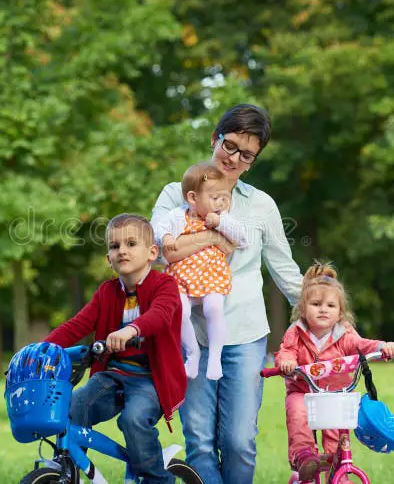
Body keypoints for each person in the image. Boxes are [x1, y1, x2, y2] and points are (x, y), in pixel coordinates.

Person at [151, 104, 304, 484]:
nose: (233, 158)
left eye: (246, 154)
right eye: (230, 145)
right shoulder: (176, 193)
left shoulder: (261, 205)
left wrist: (327, 319)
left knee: (238, 441)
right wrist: (217, 236)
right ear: (214, 139)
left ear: (253, 162)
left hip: (246, 334)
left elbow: (284, 270)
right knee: (200, 441)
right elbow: (161, 251)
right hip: (189, 336)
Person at [43, 213, 186, 484]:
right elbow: (76, 325)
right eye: (114, 246)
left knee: (133, 419)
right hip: (112, 375)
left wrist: (130, 330)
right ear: (108, 259)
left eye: (131, 244)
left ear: (152, 253)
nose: (122, 250)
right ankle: (68, 472)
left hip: (151, 379)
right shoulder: (107, 292)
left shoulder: (164, 285)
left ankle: (158, 479)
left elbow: (160, 315)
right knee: (75, 405)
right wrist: (39, 350)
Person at [275, 261, 394, 482]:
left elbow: (364, 345)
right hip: (302, 390)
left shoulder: (345, 335)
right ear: (303, 309)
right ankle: (304, 459)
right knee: (297, 410)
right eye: (316, 304)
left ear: (340, 312)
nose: (323, 309)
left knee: (336, 434)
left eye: (330, 306)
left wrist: (383, 347)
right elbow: (287, 351)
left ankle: (339, 470)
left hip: (334, 394)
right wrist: (287, 363)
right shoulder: (296, 332)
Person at [153, 161, 248, 380]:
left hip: (210, 276)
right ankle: (192, 353)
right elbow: (159, 229)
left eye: (225, 197)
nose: (221, 203)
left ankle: (215, 356)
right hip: (180, 278)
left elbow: (242, 239)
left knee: (214, 308)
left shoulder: (224, 218)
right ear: (193, 198)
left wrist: (220, 223)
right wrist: (166, 237)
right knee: (181, 312)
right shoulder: (178, 215)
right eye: (215, 198)